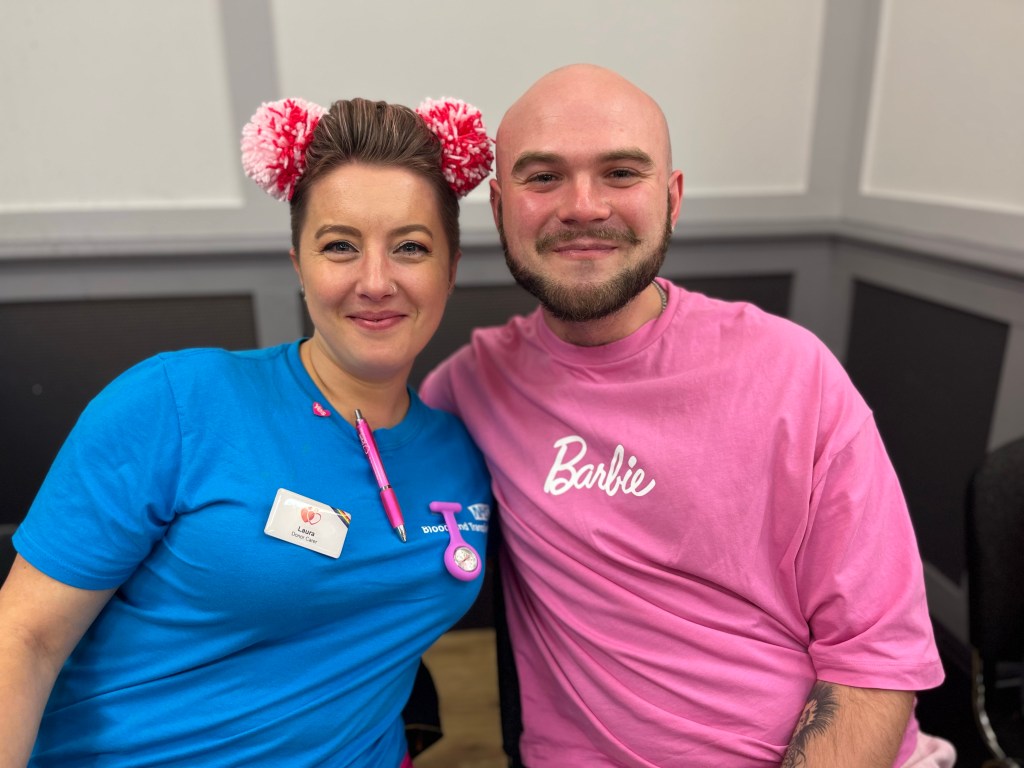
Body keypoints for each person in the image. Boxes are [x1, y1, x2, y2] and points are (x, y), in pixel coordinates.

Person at [420, 64, 956, 767]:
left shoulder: (794, 373)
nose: (582, 206)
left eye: (620, 173)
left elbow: (875, 658)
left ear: (671, 200)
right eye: (543, 177)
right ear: (498, 208)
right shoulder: (475, 385)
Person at [0, 95, 494, 767]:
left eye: (410, 247)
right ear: (298, 264)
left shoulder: (463, 457)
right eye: (340, 246)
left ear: (451, 268)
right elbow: (24, 640)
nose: (376, 281)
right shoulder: (179, 404)